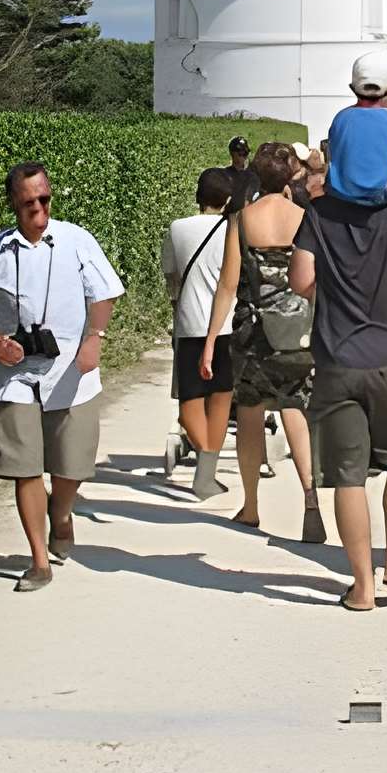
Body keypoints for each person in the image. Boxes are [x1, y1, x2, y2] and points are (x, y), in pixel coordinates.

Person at [0, 161, 124, 592]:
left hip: (71, 371)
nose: (38, 208)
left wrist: (94, 338)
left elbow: (105, 292)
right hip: (13, 375)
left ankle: (61, 513)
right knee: (25, 467)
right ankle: (38, 561)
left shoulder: (76, 240)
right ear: (13, 203)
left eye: (44, 198)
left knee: (72, 464)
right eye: (29, 201)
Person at [289, 172, 387, 611]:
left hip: (337, 357)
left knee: (347, 474)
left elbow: (300, 280)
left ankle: (362, 586)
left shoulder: (319, 213)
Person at [202, 142, 326, 543]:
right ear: (291, 176)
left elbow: (227, 285)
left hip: (252, 331)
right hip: (299, 329)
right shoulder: (306, 217)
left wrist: (210, 341)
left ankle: (251, 505)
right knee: (296, 409)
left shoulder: (241, 220)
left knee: (250, 413)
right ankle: (310, 498)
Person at [160, 168, 236, 498]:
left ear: (198, 196)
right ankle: (207, 473)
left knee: (189, 402)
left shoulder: (177, 228)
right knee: (221, 398)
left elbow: (170, 273)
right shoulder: (233, 229)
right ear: (228, 200)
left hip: (189, 323)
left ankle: (204, 470)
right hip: (227, 323)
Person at [324, 58, 387, 206]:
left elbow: (333, 153)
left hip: (341, 193)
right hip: (378, 196)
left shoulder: (340, 118)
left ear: (352, 87)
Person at [224, 136, 256, 214]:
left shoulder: (252, 175)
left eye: (246, 153)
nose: (244, 156)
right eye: (241, 153)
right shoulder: (225, 175)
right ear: (232, 153)